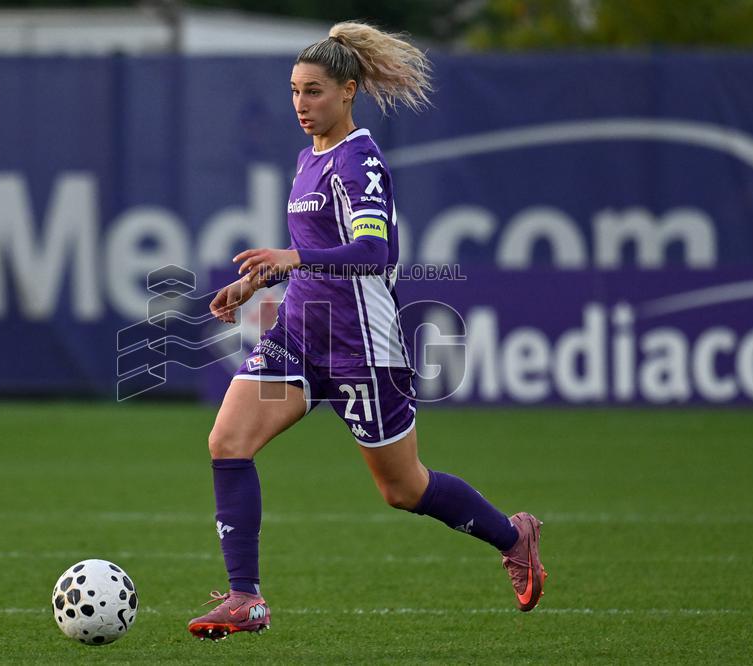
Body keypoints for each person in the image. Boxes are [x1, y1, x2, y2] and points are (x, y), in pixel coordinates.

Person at [188, 21, 546, 641]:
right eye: (296, 91)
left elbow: (373, 254)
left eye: (315, 92)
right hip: (300, 331)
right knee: (227, 440)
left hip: (361, 347)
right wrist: (259, 282)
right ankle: (246, 598)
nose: (302, 105)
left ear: (349, 91)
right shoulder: (308, 160)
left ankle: (514, 537)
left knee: (403, 489)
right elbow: (314, 252)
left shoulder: (361, 162)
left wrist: (295, 259)